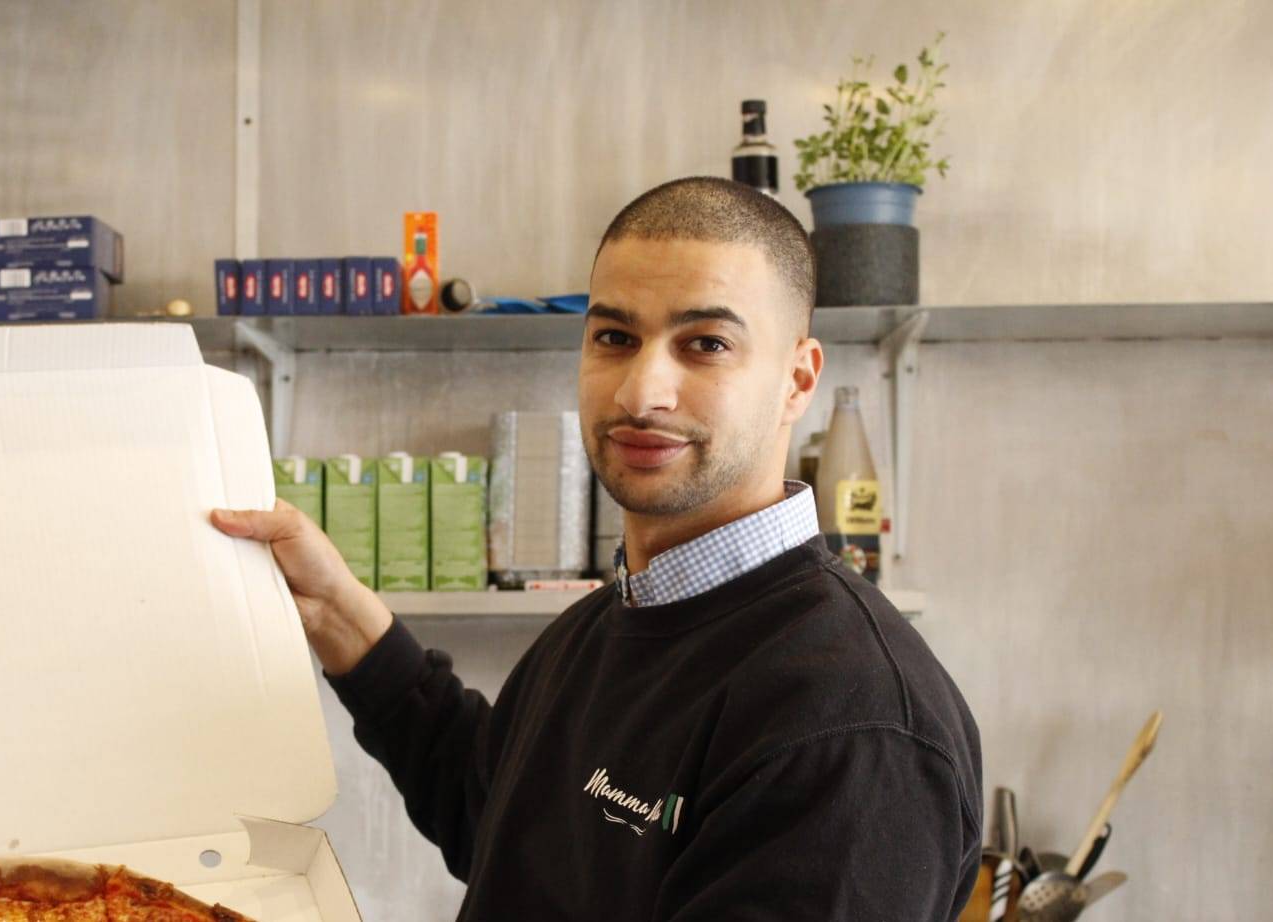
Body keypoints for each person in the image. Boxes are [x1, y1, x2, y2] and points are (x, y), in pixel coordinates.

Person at [211, 177, 981, 921]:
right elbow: (495, 818)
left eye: (705, 343)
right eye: (615, 336)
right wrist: (339, 616)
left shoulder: (856, 728)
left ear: (797, 378)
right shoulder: (606, 624)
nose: (642, 391)